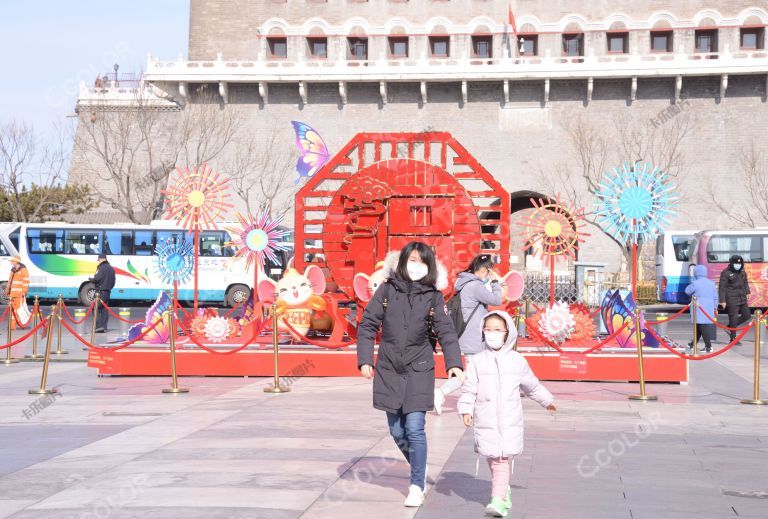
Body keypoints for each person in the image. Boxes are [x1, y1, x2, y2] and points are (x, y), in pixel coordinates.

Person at [357, 242, 464, 508]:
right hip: (388, 368)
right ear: (402, 261)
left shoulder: (433, 297)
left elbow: (447, 332)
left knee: (415, 428)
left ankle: (416, 484)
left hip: (419, 369)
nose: (415, 265)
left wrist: (454, 363)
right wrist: (364, 359)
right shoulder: (386, 290)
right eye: (411, 259)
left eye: (422, 261)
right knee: (396, 431)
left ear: (429, 266)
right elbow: (368, 324)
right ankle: (419, 461)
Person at [457, 311, 556, 517]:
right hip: (485, 419)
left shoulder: (517, 361)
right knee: (492, 458)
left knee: (502, 459)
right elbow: (469, 388)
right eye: (488, 329)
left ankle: (498, 501)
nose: (492, 333)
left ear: (507, 332)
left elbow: (532, 385)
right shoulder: (476, 361)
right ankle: (504, 490)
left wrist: (547, 401)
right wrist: (466, 409)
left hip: (510, 420)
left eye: (497, 330)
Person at [434, 254, 504, 415]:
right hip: (473, 337)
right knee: (472, 373)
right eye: (490, 271)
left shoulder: (464, 283)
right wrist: (495, 283)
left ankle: (473, 401)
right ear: (485, 270)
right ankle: (442, 392)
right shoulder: (475, 286)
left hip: (467, 335)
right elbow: (496, 299)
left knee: (474, 371)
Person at [718, 255, 750, 344]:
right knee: (733, 318)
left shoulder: (742, 271)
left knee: (747, 315)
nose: (738, 265)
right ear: (732, 263)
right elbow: (722, 287)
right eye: (736, 263)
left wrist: (747, 292)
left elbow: (745, 282)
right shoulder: (725, 272)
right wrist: (722, 300)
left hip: (742, 297)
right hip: (731, 298)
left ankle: (729, 327)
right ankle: (733, 339)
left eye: (739, 263)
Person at [686, 265, 718, 353]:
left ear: (696, 273)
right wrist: (715, 307)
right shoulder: (711, 283)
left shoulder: (695, 283)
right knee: (699, 327)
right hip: (708, 309)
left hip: (698, 309)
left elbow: (687, 291)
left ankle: (709, 346)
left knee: (702, 327)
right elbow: (715, 297)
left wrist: (691, 282)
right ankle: (692, 344)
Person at [92, 254, 116, 333]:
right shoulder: (111, 269)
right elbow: (113, 282)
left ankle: (98, 326)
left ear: (101, 259)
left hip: (100, 292)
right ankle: (104, 327)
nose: (98, 262)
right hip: (107, 291)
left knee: (95, 307)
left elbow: (97, 278)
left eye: (98, 260)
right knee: (104, 309)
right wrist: (108, 288)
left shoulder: (101, 268)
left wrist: (92, 279)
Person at [6, 256, 30, 330]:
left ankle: (22, 324)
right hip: (12, 295)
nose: (11, 263)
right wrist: (7, 292)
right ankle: (12, 326)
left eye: (12, 261)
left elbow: (26, 281)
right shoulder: (13, 270)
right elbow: (9, 282)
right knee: (12, 311)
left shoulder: (23, 270)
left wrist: (24, 291)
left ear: (16, 261)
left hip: (19, 294)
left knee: (20, 310)